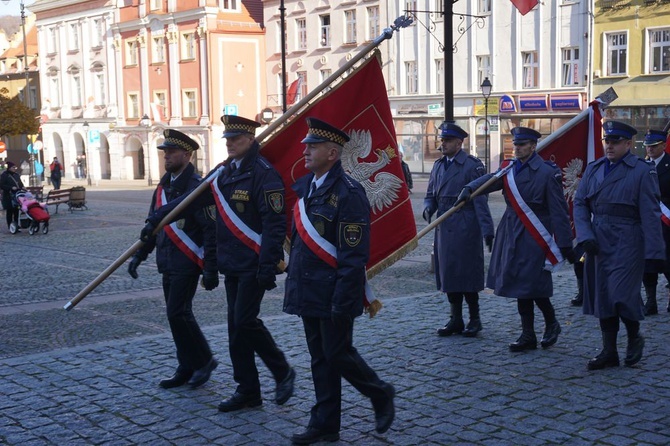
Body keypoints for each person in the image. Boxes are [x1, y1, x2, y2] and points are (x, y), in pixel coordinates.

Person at [141, 115, 294, 412]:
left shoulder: (264, 174)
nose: (230, 144)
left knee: (245, 321)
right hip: (232, 262)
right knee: (235, 328)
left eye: (236, 139)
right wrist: (156, 218)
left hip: (253, 261)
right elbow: (189, 200)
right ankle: (248, 389)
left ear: (250, 139)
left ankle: (282, 370)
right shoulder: (223, 172)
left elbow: (274, 224)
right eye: (227, 139)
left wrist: (267, 265)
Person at [284, 117, 395, 445]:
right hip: (308, 288)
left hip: (334, 291)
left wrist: (343, 300)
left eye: (313, 146)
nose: (305, 150)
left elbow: (353, 255)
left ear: (332, 153)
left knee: (338, 353)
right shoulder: (307, 187)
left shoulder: (349, 193)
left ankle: (380, 393)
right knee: (321, 358)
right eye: (307, 145)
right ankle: (325, 423)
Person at [455, 127, 575, 352]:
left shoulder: (548, 173)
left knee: (533, 283)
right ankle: (528, 334)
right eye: (515, 144)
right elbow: (489, 181)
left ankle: (551, 323)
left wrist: (565, 243)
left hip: (536, 234)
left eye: (522, 145)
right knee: (521, 284)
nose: (517, 148)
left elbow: (560, 211)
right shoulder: (509, 169)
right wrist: (469, 189)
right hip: (511, 232)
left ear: (533, 146)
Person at [128, 129, 219, 389]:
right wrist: (139, 255)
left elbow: (210, 231)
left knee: (178, 312)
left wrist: (210, 269)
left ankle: (204, 360)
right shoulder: (164, 185)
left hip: (188, 260)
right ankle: (186, 365)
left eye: (172, 152)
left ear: (187, 155)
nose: (166, 156)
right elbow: (152, 227)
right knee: (175, 315)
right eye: (164, 151)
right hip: (168, 258)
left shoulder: (197, 188)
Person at [573, 121, 665, 370]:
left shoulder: (641, 171)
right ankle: (609, 351)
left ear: (628, 144)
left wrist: (655, 253)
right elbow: (580, 203)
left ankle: (634, 335)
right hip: (598, 239)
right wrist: (585, 235)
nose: (610, 146)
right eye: (607, 141)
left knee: (621, 294)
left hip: (628, 239)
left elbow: (650, 212)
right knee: (603, 295)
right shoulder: (594, 169)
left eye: (615, 142)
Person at [423, 122, 494, 338]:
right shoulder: (437, 166)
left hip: (465, 226)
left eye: (446, 141)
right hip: (444, 228)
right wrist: (428, 208)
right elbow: (430, 194)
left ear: (459, 143)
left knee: (467, 274)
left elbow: (481, 200)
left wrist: (487, 230)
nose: (442, 144)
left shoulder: (472, 166)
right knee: (449, 274)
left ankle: (474, 319)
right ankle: (455, 319)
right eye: (441, 140)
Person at [641, 129, 670, 315]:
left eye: (654, 146)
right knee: (648, 264)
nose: (650, 149)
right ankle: (651, 301)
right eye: (648, 146)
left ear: (663, 145)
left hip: (667, 224)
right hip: (649, 224)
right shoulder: (642, 166)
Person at [0, 161, 24, 232]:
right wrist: (10, 188)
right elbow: (2, 185)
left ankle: (16, 225)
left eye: (15, 167)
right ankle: (10, 226)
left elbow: (20, 183)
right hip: (8, 196)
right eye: (13, 167)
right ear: (9, 168)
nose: (14, 168)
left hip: (16, 195)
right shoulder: (4, 175)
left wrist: (22, 187)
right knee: (10, 211)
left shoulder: (16, 175)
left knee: (16, 211)